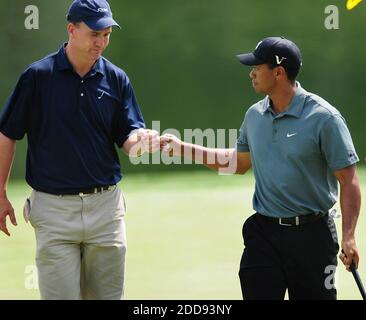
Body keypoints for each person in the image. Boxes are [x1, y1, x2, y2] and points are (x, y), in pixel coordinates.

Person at [160, 36, 361, 300]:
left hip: (313, 237)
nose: (251, 73)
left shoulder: (324, 118)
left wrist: (349, 237)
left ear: (278, 72)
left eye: (257, 67)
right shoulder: (254, 115)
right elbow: (238, 163)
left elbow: (349, 181)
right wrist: (182, 147)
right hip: (264, 235)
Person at [0, 0, 159, 300]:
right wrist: (0, 193)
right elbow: (7, 134)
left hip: (106, 212)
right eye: (95, 34)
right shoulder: (37, 77)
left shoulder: (117, 78)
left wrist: (142, 142)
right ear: (71, 30)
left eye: (107, 34)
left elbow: (128, 139)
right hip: (54, 211)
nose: (101, 42)